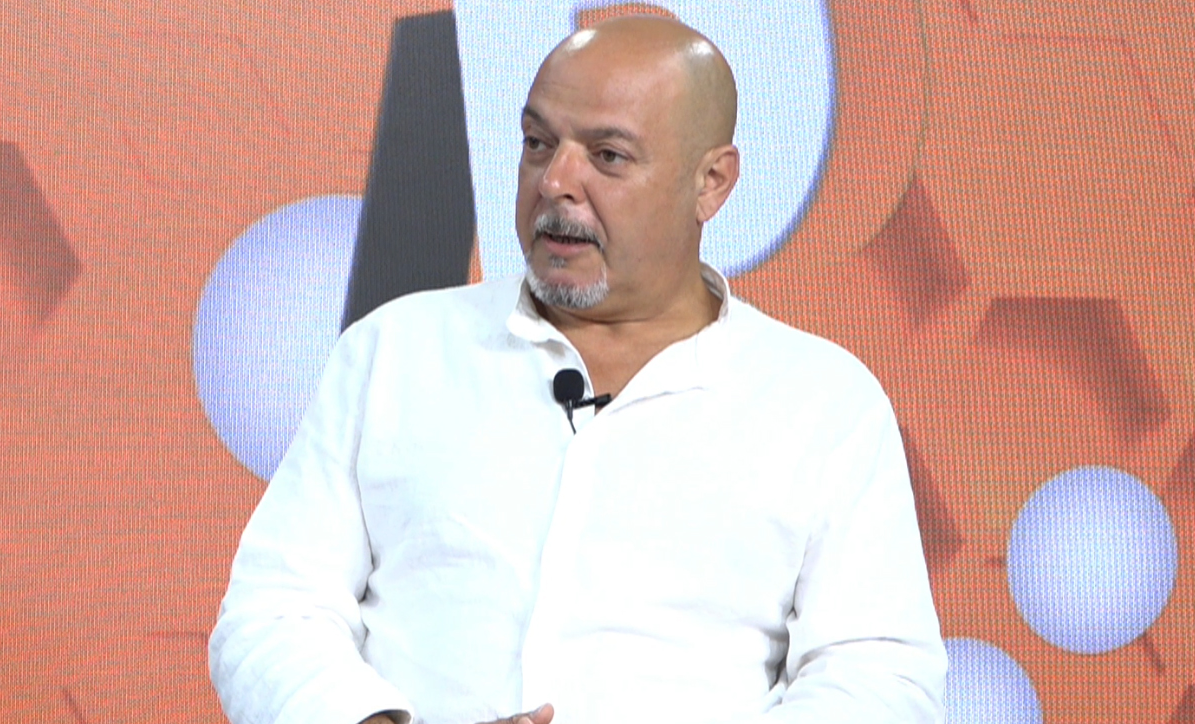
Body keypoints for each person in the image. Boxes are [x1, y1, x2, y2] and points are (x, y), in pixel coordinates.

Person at [209, 15, 946, 724]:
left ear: (711, 183)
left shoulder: (821, 402)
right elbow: (273, 612)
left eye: (608, 156)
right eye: (538, 143)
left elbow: (877, 678)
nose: (555, 181)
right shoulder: (394, 351)